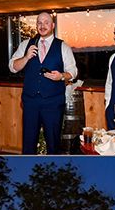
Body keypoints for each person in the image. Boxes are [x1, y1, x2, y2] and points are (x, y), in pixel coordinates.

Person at [8, 12, 77, 154]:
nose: (42, 25)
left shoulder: (63, 46)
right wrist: (26, 57)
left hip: (53, 103)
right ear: (36, 25)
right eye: (39, 22)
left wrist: (61, 76)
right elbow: (13, 67)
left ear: (52, 25)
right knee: (28, 144)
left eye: (46, 22)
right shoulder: (26, 44)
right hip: (30, 103)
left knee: (53, 144)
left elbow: (73, 71)